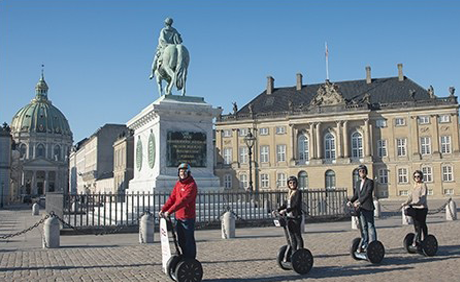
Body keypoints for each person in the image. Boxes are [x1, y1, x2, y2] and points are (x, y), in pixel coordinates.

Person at [159, 163, 197, 259]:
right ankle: (184, 256)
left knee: (188, 240)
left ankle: (190, 258)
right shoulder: (178, 184)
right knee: (180, 240)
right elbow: (172, 198)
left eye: (184, 172)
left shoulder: (191, 185)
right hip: (178, 217)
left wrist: (170, 211)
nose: (182, 174)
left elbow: (183, 201)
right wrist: (164, 209)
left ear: (188, 173)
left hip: (187, 217)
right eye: (180, 172)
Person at [348, 164, 376, 253]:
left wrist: (360, 202)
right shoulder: (358, 183)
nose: (361, 172)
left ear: (366, 172)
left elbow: (368, 194)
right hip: (361, 209)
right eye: (360, 171)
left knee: (370, 226)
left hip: (368, 207)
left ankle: (374, 243)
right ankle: (365, 243)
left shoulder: (370, 182)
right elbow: (356, 195)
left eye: (363, 171)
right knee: (363, 227)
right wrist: (351, 201)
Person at [275, 176, 304, 261]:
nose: (292, 184)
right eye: (290, 183)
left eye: (294, 183)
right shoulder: (289, 192)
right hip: (289, 217)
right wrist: (278, 209)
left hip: (296, 216)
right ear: (288, 184)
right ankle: (294, 253)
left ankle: (301, 252)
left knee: (297, 235)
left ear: (296, 183)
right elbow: (285, 204)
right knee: (291, 236)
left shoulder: (298, 192)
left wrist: (286, 210)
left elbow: (295, 205)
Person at [401, 170, 428, 247]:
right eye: (415, 176)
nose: (417, 178)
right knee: (416, 225)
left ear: (421, 177)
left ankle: (425, 238)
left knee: (422, 224)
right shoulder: (413, 186)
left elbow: (423, 197)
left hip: (422, 208)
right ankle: (417, 240)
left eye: (418, 176)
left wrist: (417, 202)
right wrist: (405, 203)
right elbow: (410, 197)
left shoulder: (423, 185)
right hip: (414, 208)